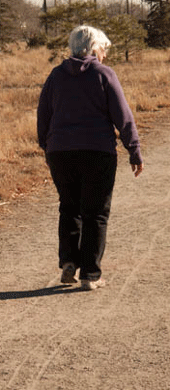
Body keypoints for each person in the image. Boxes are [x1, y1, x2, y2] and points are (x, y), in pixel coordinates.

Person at [37, 25, 143, 291]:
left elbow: (43, 114)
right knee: (95, 213)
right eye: (103, 49)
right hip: (97, 152)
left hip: (61, 152)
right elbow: (123, 115)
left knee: (69, 207)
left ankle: (69, 263)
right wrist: (134, 149)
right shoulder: (103, 74)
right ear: (94, 48)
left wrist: (47, 146)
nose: (104, 55)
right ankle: (90, 275)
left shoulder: (56, 76)